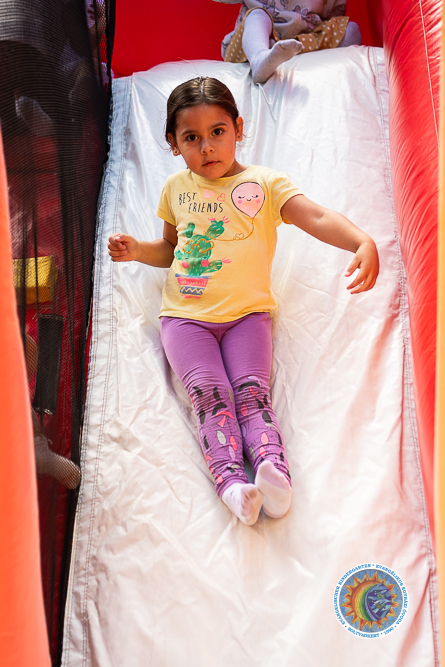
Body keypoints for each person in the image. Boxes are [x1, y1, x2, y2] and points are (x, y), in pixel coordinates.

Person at [108, 77, 379, 526]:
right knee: (211, 398)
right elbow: (172, 249)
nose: (207, 147)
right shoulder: (176, 188)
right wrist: (138, 250)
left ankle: (274, 473)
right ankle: (233, 483)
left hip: (247, 318)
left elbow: (316, 216)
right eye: (191, 138)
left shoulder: (265, 184)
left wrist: (360, 241)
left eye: (217, 132)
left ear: (238, 128)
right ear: (174, 144)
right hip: (186, 319)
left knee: (253, 395)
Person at [214, 1, 362, 84]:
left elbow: (335, 10)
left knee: (351, 29)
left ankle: (289, 54)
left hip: (305, 40)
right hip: (256, 39)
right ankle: (260, 59)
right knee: (257, 15)